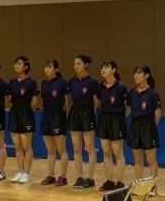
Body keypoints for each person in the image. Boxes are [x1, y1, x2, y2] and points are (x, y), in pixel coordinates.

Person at [127, 65, 161, 197]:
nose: (135, 75)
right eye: (134, 73)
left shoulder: (153, 93)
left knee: (151, 159)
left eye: (139, 73)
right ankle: (140, 185)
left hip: (148, 126)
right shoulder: (131, 93)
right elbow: (128, 110)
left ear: (146, 75)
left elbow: (157, 113)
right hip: (135, 126)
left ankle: (153, 187)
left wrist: (151, 127)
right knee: (137, 159)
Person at [68, 54, 99, 190]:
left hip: (87, 114)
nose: (76, 66)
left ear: (85, 65)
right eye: (75, 64)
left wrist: (89, 114)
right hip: (75, 113)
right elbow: (69, 100)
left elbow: (95, 102)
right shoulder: (71, 81)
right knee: (76, 148)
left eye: (79, 64)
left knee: (90, 148)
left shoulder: (92, 82)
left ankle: (90, 178)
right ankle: (79, 177)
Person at [96, 61, 127, 191]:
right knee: (106, 152)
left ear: (114, 70)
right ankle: (109, 180)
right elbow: (99, 102)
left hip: (117, 120)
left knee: (118, 153)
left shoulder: (120, 87)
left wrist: (120, 120)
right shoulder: (100, 86)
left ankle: (120, 182)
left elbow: (126, 107)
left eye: (106, 67)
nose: (103, 70)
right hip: (104, 119)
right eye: (102, 67)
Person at [7, 56, 39, 184]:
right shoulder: (12, 82)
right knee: (17, 146)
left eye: (19, 64)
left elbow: (35, 101)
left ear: (26, 66)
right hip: (14, 115)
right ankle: (20, 172)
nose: (16, 66)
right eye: (15, 64)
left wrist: (26, 110)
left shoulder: (31, 82)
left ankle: (27, 173)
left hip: (26, 115)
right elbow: (9, 100)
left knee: (26, 146)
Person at [39, 59, 69, 187]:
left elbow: (67, 102)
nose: (47, 69)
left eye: (50, 67)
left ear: (56, 69)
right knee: (50, 150)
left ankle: (63, 176)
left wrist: (64, 117)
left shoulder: (62, 83)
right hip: (46, 116)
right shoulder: (44, 83)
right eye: (45, 67)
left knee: (61, 149)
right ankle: (51, 175)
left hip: (58, 117)